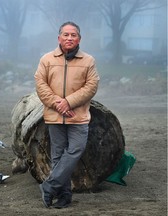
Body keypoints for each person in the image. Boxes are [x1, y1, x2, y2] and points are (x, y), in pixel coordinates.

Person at [34, 21, 100, 209]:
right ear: (59, 38)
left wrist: (69, 102)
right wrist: (59, 104)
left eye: (73, 35)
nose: (69, 38)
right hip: (54, 116)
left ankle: (49, 186)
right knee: (57, 157)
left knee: (76, 149)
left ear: (79, 38)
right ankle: (63, 197)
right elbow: (40, 84)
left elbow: (91, 86)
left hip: (78, 116)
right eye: (66, 35)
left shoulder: (88, 61)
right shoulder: (46, 59)